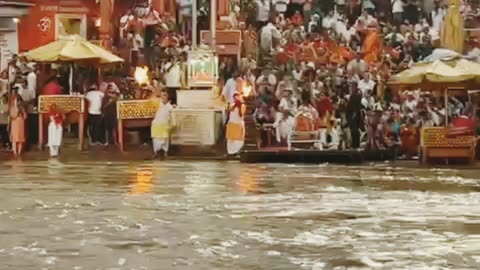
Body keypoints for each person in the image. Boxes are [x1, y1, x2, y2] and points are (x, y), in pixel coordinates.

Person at [151, 92, 175, 158]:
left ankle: (165, 152)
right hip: (156, 124)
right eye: (162, 97)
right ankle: (155, 152)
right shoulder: (158, 104)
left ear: (167, 99)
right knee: (155, 139)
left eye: (165, 97)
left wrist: (172, 125)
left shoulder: (170, 107)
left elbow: (172, 117)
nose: (163, 99)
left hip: (164, 125)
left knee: (165, 139)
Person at [9, 86, 26, 157]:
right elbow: (12, 115)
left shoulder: (21, 107)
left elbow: (25, 115)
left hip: (19, 120)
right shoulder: (12, 103)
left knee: (19, 137)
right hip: (15, 120)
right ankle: (16, 153)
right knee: (15, 137)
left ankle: (17, 153)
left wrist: (21, 111)